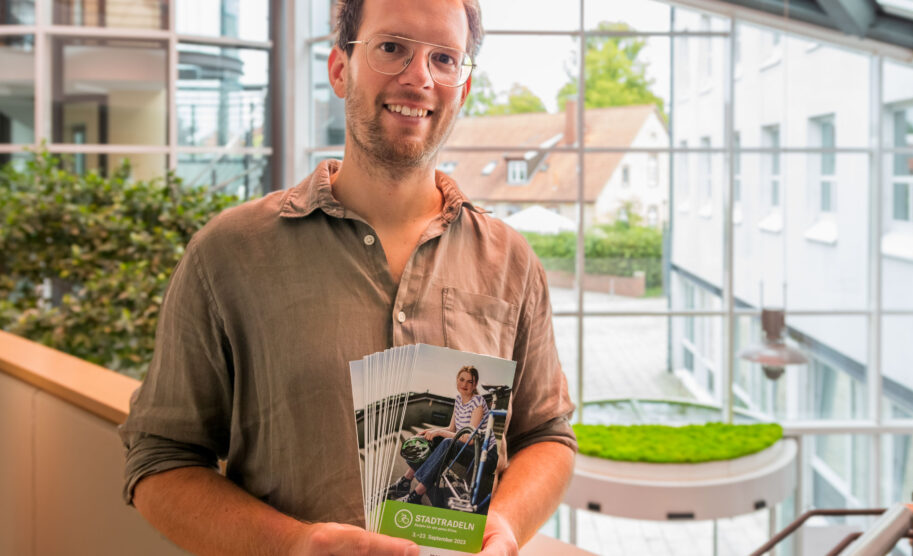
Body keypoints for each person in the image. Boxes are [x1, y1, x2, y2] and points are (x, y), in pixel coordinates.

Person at [119, 0, 577, 554]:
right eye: (392, 49)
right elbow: (160, 459)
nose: (419, 78)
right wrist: (292, 545)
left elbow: (546, 436)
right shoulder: (228, 254)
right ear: (340, 69)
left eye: (444, 58)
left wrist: (506, 526)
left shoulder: (512, 261)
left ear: (464, 87)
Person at [388, 365, 499, 510]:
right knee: (434, 439)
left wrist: (439, 433)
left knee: (446, 442)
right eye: (462, 379)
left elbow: (470, 439)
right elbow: (451, 429)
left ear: (475, 385)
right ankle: (405, 481)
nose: (464, 384)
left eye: (469, 382)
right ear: (457, 380)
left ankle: (416, 495)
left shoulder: (477, 402)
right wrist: (430, 431)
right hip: (467, 447)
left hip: (484, 455)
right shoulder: (459, 400)